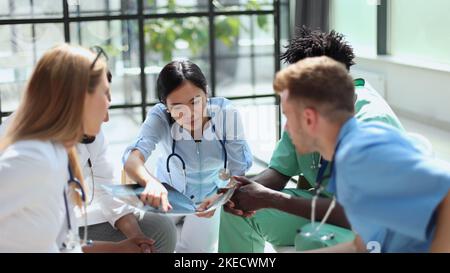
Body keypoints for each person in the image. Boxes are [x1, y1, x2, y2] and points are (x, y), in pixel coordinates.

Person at [219, 26, 404, 253]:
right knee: (237, 211)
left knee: (315, 239)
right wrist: (239, 193)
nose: (287, 125)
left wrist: (273, 199)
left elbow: (362, 212)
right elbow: (279, 171)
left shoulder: (371, 127)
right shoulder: (305, 110)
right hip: (319, 206)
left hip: (374, 224)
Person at [273, 56, 450, 252]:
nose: (287, 127)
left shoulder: (359, 153)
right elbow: (362, 246)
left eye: (287, 116)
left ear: (308, 118)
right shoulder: (347, 156)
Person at [0, 70, 177, 254]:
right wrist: (116, 249)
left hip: (64, 231)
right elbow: (51, 246)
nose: (107, 118)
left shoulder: (84, 135)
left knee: (160, 229)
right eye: (103, 100)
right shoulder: (27, 157)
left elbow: (107, 190)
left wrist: (137, 240)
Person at [122, 60, 252, 253]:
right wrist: (150, 182)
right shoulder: (159, 116)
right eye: (176, 106)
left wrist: (220, 196)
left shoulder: (226, 114)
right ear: (165, 105)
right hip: (168, 195)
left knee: (195, 255)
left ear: (206, 93)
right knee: (154, 245)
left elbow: (238, 167)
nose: (190, 113)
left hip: (208, 199)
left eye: (195, 101)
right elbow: (132, 160)